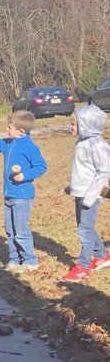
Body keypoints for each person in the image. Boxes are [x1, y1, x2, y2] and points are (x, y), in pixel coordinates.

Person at [0, 110, 48, 270]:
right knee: (10, 230)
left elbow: (41, 166)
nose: (6, 130)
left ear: (21, 131)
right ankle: (15, 259)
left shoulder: (30, 147)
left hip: (22, 197)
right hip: (9, 194)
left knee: (21, 230)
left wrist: (24, 175)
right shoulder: (9, 144)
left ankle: (30, 260)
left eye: (9, 127)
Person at [61, 102, 110, 282]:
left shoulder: (97, 145)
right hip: (80, 193)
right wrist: (72, 186)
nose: (70, 126)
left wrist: (91, 196)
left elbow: (103, 171)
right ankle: (102, 255)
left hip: (91, 196)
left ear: (87, 124)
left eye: (74, 124)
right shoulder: (81, 142)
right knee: (85, 227)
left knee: (84, 230)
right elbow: (82, 170)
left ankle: (83, 266)